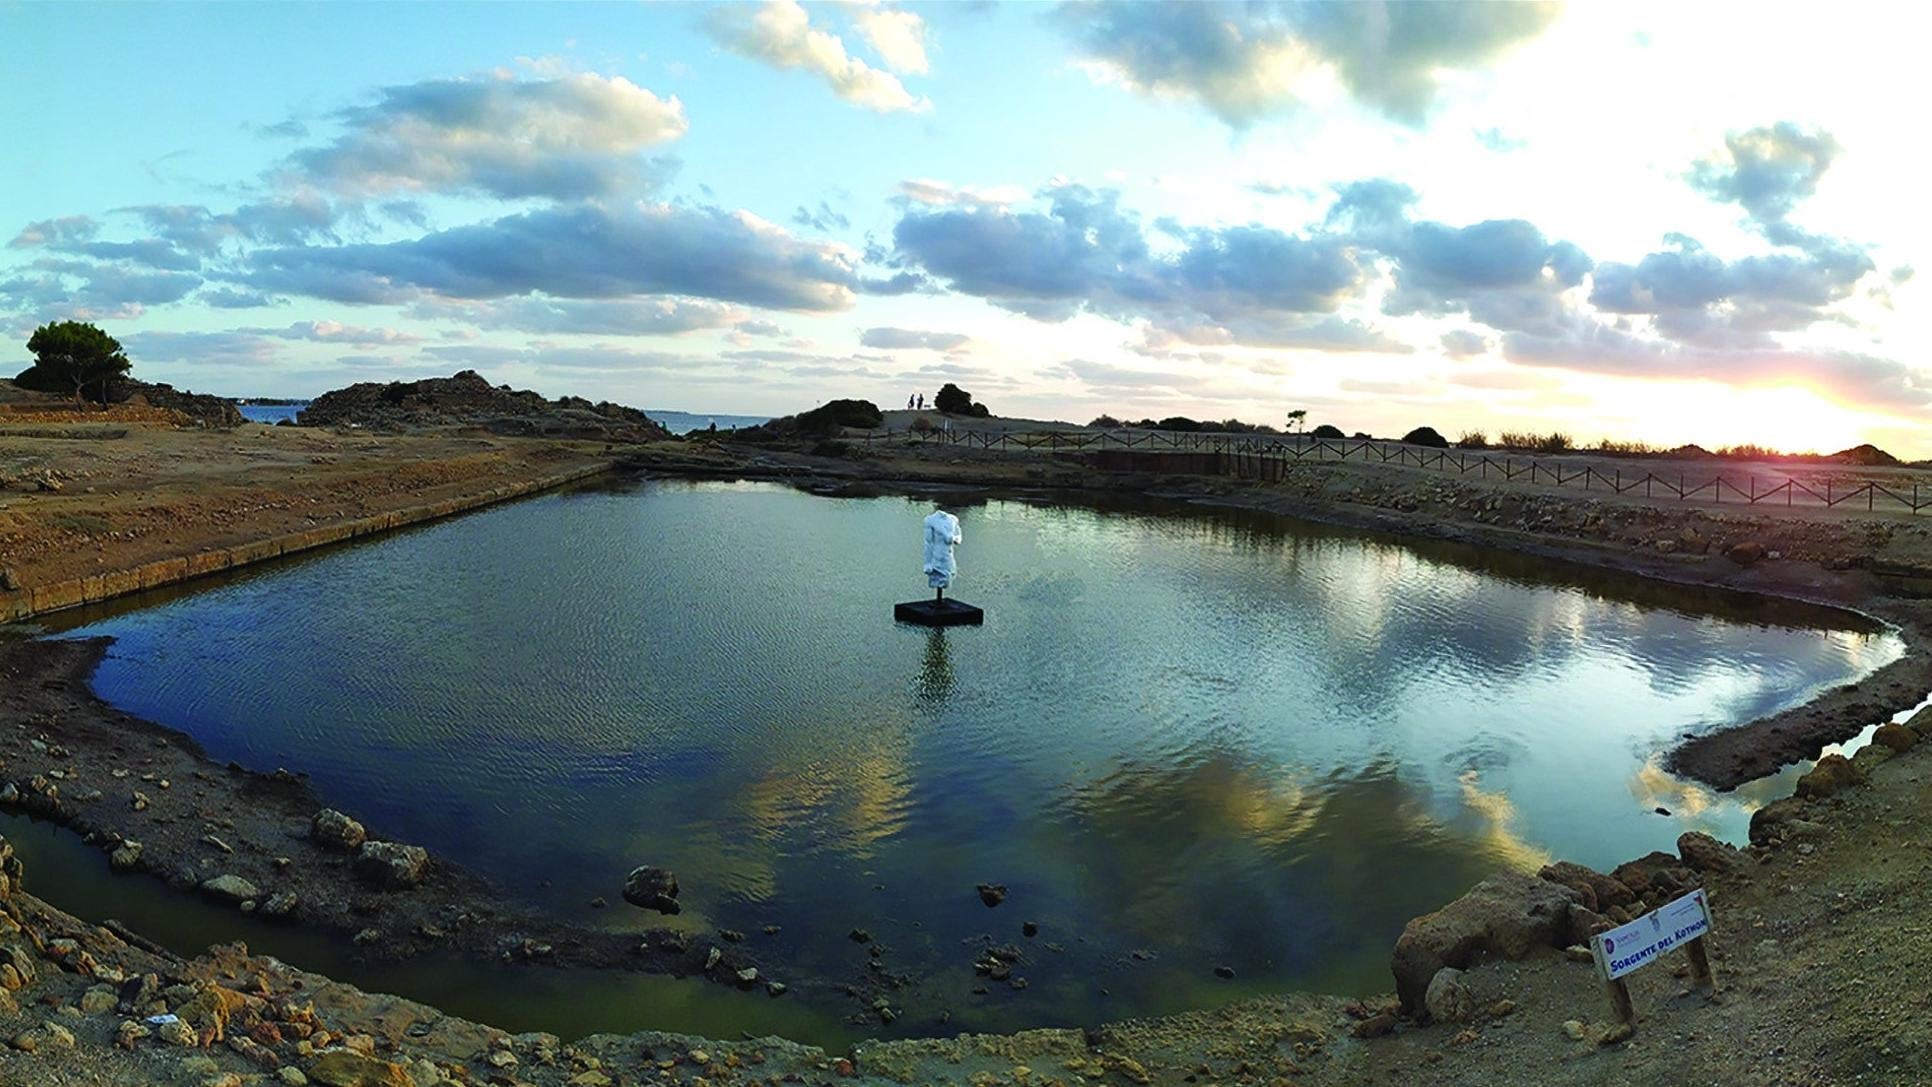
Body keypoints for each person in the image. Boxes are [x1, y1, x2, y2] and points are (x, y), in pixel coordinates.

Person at [922, 505, 962, 600]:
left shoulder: (953, 519)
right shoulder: (930, 520)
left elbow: (959, 538)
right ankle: (938, 598)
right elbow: (928, 543)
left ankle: (940, 598)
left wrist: (953, 538)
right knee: (937, 578)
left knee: (948, 577)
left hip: (948, 556)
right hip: (937, 557)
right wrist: (927, 563)